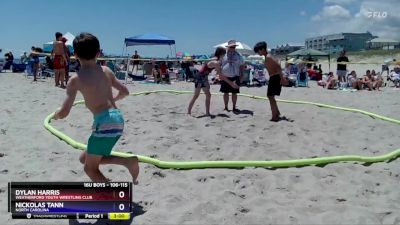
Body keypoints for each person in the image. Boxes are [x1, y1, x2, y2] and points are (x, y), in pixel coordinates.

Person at [53, 33, 139, 183]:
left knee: (89, 168)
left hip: (104, 123)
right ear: (98, 53)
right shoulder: (106, 70)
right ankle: (127, 161)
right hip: (117, 119)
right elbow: (125, 91)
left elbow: (64, 112)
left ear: (75, 54)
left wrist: (56, 115)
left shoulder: (75, 80)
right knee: (84, 158)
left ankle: (113, 197)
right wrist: (113, 100)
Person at [187, 47, 238, 116]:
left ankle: (191, 112)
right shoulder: (215, 62)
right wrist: (231, 83)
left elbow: (215, 70)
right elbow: (221, 75)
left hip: (202, 76)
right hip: (201, 77)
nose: (225, 56)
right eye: (224, 54)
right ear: (221, 54)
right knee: (198, 95)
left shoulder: (214, 59)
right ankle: (195, 112)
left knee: (204, 95)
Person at [254, 41, 288, 122]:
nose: (258, 52)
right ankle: (277, 113)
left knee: (270, 96)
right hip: (274, 77)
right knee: (271, 97)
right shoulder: (268, 56)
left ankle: (274, 116)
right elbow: (277, 64)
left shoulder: (268, 57)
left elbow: (278, 66)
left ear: (262, 49)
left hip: (275, 77)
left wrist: (282, 78)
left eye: (258, 51)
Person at [220, 40, 244, 112]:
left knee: (234, 93)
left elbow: (242, 65)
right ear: (228, 47)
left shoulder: (239, 55)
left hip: (235, 76)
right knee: (225, 93)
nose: (232, 48)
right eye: (231, 47)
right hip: (225, 76)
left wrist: (242, 74)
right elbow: (219, 64)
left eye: (234, 47)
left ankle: (234, 107)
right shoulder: (223, 55)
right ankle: (226, 107)